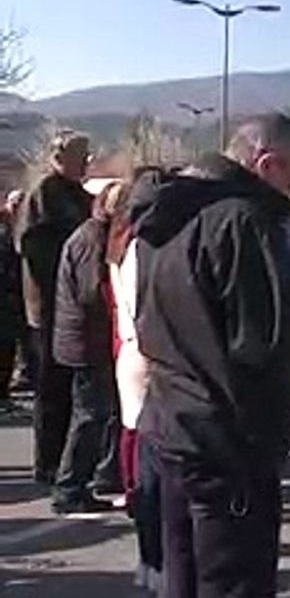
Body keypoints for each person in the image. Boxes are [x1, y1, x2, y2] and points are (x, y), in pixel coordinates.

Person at [130, 114, 290, 598]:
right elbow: (266, 340)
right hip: (230, 433)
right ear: (267, 164)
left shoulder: (162, 216)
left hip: (171, 421)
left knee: (185, 576)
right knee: (235, 579)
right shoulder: (244, 220)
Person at [16, 131, 93, 485]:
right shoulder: (44, 194)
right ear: (60, 158)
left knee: (69, 387)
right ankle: (47, 463)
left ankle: (65, 458)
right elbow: (30, 245)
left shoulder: (77, 195)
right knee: (51, 388)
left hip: (72, 306)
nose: (87, 163)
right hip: (48, 307)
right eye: (82, 156)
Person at [50, 180, 125, 515]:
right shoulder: (93, 239)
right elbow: (92, 292)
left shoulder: (96, 235)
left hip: (85, 339)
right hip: (86, 341)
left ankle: (88, 479)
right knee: (89, 416)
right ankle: (69, 488)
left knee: (97, 414)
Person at [108, 168, 166, 591]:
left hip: (131, 354)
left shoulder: (121, 242)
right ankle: (157, 560)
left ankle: (152, 560)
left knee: (146, 458)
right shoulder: (145, 247)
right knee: (155, 466)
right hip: (149, 359)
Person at [0, 195, 24, 405]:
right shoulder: (4, 231)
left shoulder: (15, 227)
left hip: (11, 298)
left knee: (8, 347)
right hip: (5, 297)